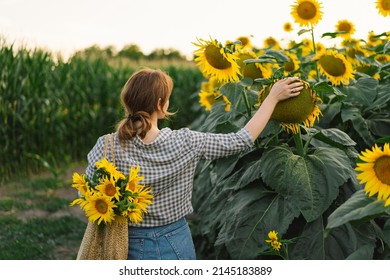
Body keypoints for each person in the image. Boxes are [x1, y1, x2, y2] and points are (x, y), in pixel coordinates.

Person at [85, 68, 303, 260]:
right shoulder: (186, 141)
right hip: (175, 241)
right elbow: (242, 140)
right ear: (161, 105)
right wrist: (272, 98)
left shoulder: (107, 146)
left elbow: (88, 193)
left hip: (125, 245)